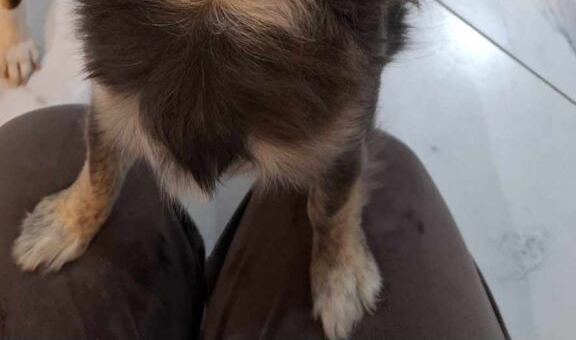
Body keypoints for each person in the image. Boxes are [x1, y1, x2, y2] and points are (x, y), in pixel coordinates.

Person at [0, 106, 510, 340]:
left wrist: (335, 240)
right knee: (391, 162)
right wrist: (88, 202)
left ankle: (323, 242)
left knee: (43, 135)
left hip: (332, 34)